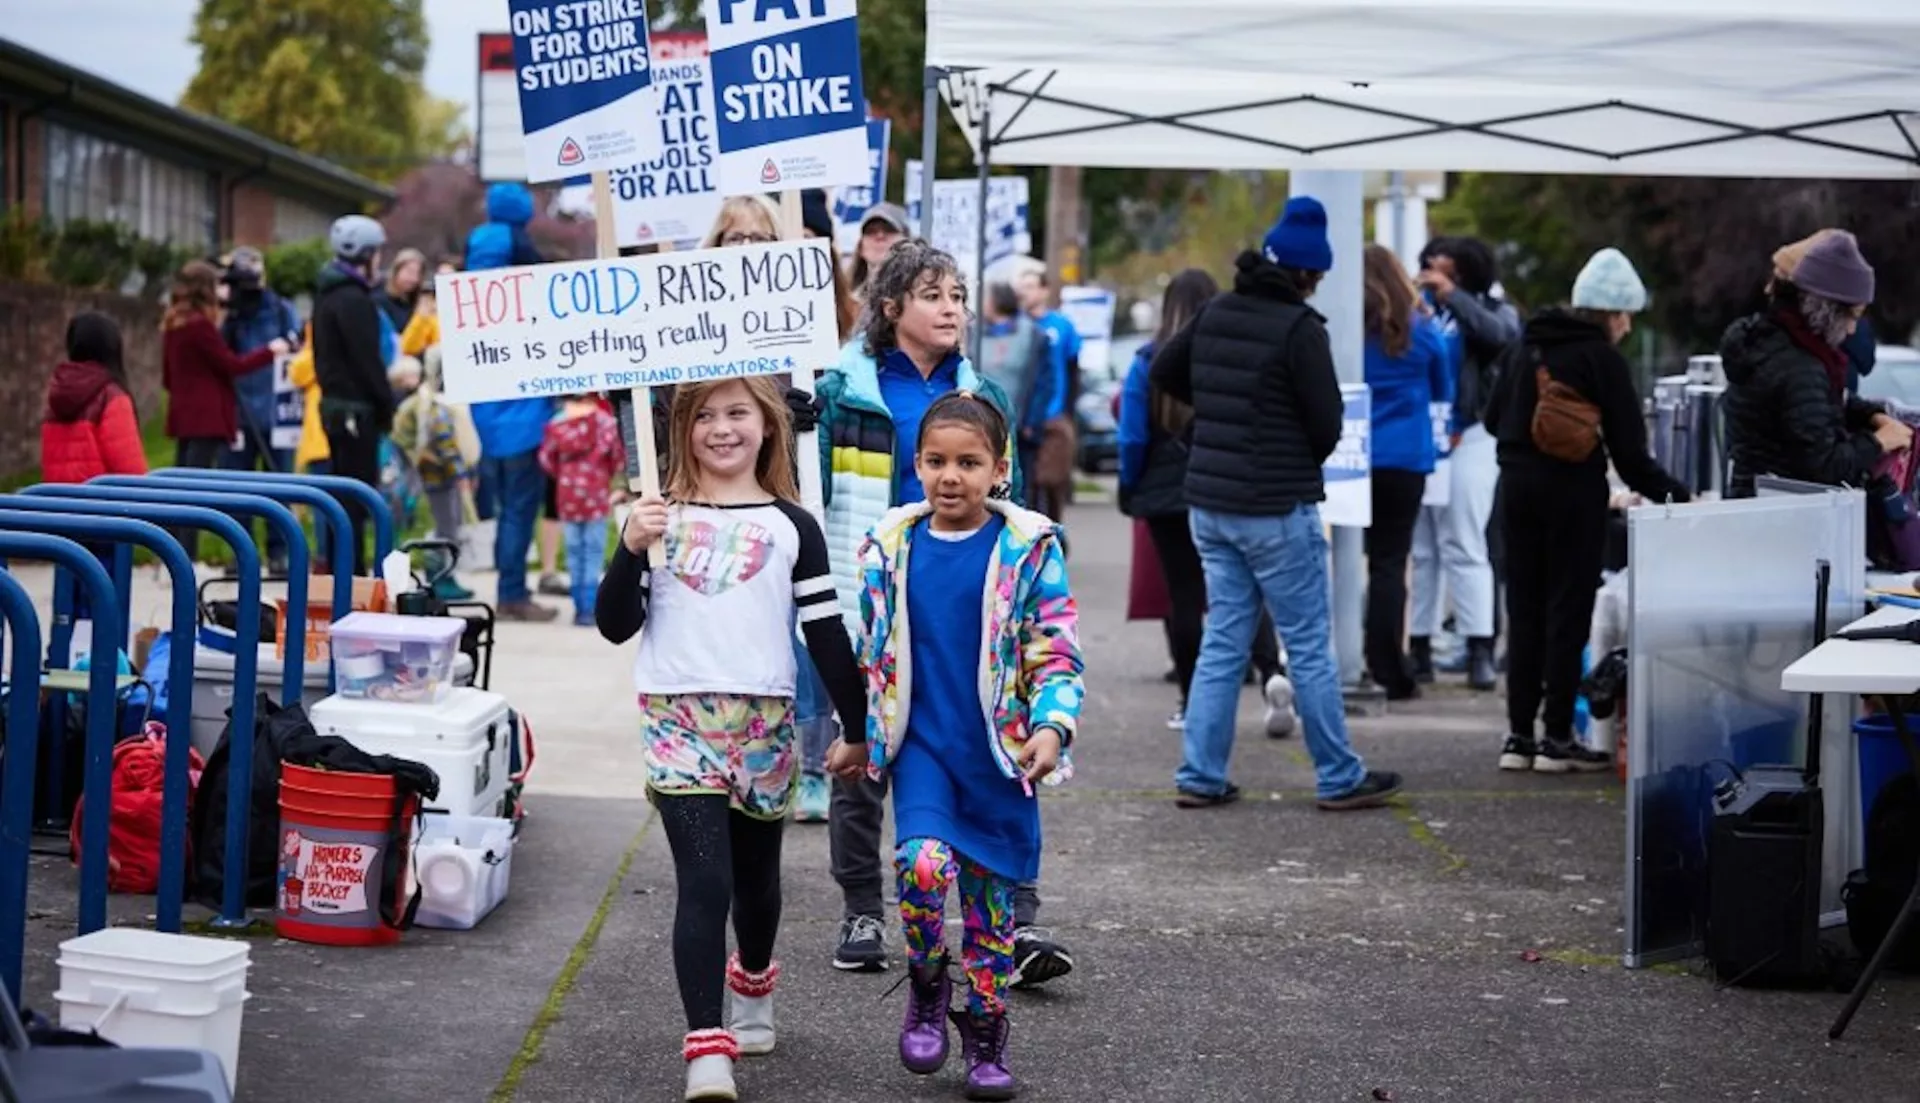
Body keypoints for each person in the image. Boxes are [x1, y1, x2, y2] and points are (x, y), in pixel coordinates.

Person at [794, 240, 1073, 986]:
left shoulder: (982, 392)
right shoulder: (840, 389)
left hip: (970, 596)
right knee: (862, 751)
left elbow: (1011, 498)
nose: (952, 308)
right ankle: (862, 909)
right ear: (891, 307)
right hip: (869, 594)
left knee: (997, 743)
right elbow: (806, 492)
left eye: (958, 295)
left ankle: (1017, 915)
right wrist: (796, 429)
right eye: (933, 295)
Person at [595, 377, 866, 1103]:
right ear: (680, 428)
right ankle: (707, 1049)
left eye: (738, 412)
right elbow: (615, 624)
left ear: (768, 425)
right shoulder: (656, 517)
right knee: (704, 880)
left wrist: (858, 726)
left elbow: (826, 632)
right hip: (676, 719)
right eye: (706, 415)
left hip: (763, 723)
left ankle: (753, 980)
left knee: (756, 882)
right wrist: (629, 547)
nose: (722, 428)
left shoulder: (793, 524)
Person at [856, 390, 1084, 1102]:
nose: (950, 476)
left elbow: (1055, 649)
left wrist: (1051, 726)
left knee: (991, 910)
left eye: (968, 462)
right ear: (916, 464)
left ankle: (986, 1028)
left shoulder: (1028, 549)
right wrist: (855, 732)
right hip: (923, 750)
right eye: (935, 461)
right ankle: (928, 982)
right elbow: (871, 653)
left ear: (999, 468)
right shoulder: (890, 548)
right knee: (921, 866)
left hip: (999, 755)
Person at [1152, 196, 1402, 812]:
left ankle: (1200, 775)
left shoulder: (1214, 312)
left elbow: (1165, 368)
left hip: (1210, 504)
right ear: (1307, 273)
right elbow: (1326, 424)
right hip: (1275, 507)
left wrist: (1217, 412)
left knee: (1223, 641)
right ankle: (1339, 775)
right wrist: (1288, 449)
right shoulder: (1299, 329)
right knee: (1308, 644)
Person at [1484, 248, 1693, 771]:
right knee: (1567, 611)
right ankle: (1556, 737)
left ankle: (1518, 738)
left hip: (1514, 490)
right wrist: (1680, 497)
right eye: (1626, 316)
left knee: (1523, 611)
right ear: (1612, 314)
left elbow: (1490, 419)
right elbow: (1631, 456)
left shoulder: (1523, 347)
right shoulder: (1601, 360)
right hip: (1573, 495)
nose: (1628, 327)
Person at [1117, 269, 1292, 732]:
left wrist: (1130, 485)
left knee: (1184, 596)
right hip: (1225, 483)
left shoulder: (1147, 361)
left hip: (1164, 490)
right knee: (1242, 587)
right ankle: (1271, 670)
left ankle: (1193, 701)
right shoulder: (1232, 358)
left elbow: (1132, 435)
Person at [1410, 236, 1519, 691]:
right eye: (1431, 268)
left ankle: (1480, 646)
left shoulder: (1492, 309)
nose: (1435, 278)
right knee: (1423, 549)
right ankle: (1420, 645)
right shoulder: (1414, 307)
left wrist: (1453, 297)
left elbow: (1502, 338)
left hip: (1471, 434)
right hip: (1423, 436)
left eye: (1448, 272)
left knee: (1465, 540)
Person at [1723, 229, 1907, 496]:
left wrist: (1871, 415)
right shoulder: (1800, 368)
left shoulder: (1771, 344)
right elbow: (1824, 466)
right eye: (1852, 316)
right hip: (1787, 513)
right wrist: (1878, 442)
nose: (1852, 330)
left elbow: (1819, 407)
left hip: (1756, 502)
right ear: (1827, 311)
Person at [1362, 244, 1455, 701]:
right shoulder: (1421, 329)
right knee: (1390, 563)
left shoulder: (1346, 330)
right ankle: (1389, 666)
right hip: (1405, 457)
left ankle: (1346, 656)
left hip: (1355, 456)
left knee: (1347, 560)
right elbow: (1443, 386)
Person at [466, 182, 559, 621]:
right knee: (520, 511)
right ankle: (513, 594)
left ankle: (509, 590)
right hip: (525, 422)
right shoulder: (527, 285)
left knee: (505, 509)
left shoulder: (472, 289)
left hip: (486, 422)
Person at [161, 259, 287, 555]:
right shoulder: (201, 326)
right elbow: (232, 365)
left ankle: (175, 550)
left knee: (181, 486)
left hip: (183, 414)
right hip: (207, 417)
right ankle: (184, 555)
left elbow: (167, 377)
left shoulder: (173, 324)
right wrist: (270, 351)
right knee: (194, 491)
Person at [312, 215, 398, 577]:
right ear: (365, 255)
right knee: (356, 500)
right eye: (376, 252)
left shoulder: (327, 294)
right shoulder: (354, 300)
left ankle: (340, 571)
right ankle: (353, 575)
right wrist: (386, 405)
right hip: (356, 411)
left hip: (333, 406)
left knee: (342, 495)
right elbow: (368, 361)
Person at [217, 247, 302, 571]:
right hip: (239, 411)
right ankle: (241, 552)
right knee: (237, 488)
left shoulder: (282, 310)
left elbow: (297, 347)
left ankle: (278, 551)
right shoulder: (231, 315)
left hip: (276, 412)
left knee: (278, 486)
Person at [393, 358, 480, 601]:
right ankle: (441, 578)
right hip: (440, 477)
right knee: (446, 529)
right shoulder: (436, 405)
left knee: (443, 527)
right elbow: (446, 443)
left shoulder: (424, 401)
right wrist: (461, 475)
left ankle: (441, 577)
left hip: (427, 476)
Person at [539, 394, 625, 627]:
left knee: (574, 551)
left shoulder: (558, 421)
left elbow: (546, 458)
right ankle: (589, 606)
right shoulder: (605, 421)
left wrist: (564, 474)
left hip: (567, 495)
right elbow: (617, 457)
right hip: (596, 493)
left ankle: (578, 606)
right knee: (593, 551)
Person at [41, 312, 147, 483]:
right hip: (99, 498)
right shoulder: (111, 397)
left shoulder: (57, 393)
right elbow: (132, 474)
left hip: (56, 498)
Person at [974, 282, 1059, 493]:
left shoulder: (1033, 335)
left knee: (1018, 487)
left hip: (1020, 431)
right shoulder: (973, 333)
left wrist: (1032, 422)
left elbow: (1045, 383)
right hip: (980, 425)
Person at [1013, 263, 1079, 519]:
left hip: (1054, 414)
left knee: (1052, 482)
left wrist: (1068, 414)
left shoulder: (1062, 326)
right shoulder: (1015, 326)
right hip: (1024, 417)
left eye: (1030, 286)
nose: (1024, 292)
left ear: (1044, 290)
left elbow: (1073, 371)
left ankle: (1054, 532)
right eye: (1021, 287)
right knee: (1027, 484)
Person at [848, 203, 909, 297]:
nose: (880, 236)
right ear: (860, 248)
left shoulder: (923, 296)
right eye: (871, 231)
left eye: (889, 230)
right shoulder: (847, 300)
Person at [375, 248, 427, 333]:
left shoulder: (415, 300)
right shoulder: (380, 300)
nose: (414, 279)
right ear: (397, 271)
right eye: (410, 272)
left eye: (418, 273)